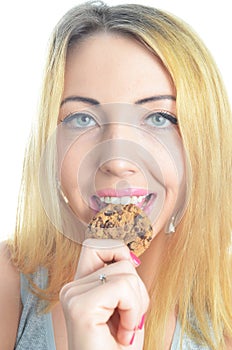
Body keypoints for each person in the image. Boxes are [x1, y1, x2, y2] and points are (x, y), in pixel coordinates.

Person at [0, 1, 231, 349]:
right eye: (82, 119)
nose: (117, 161)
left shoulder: (224, 303)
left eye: (158, 118)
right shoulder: (8, 285)